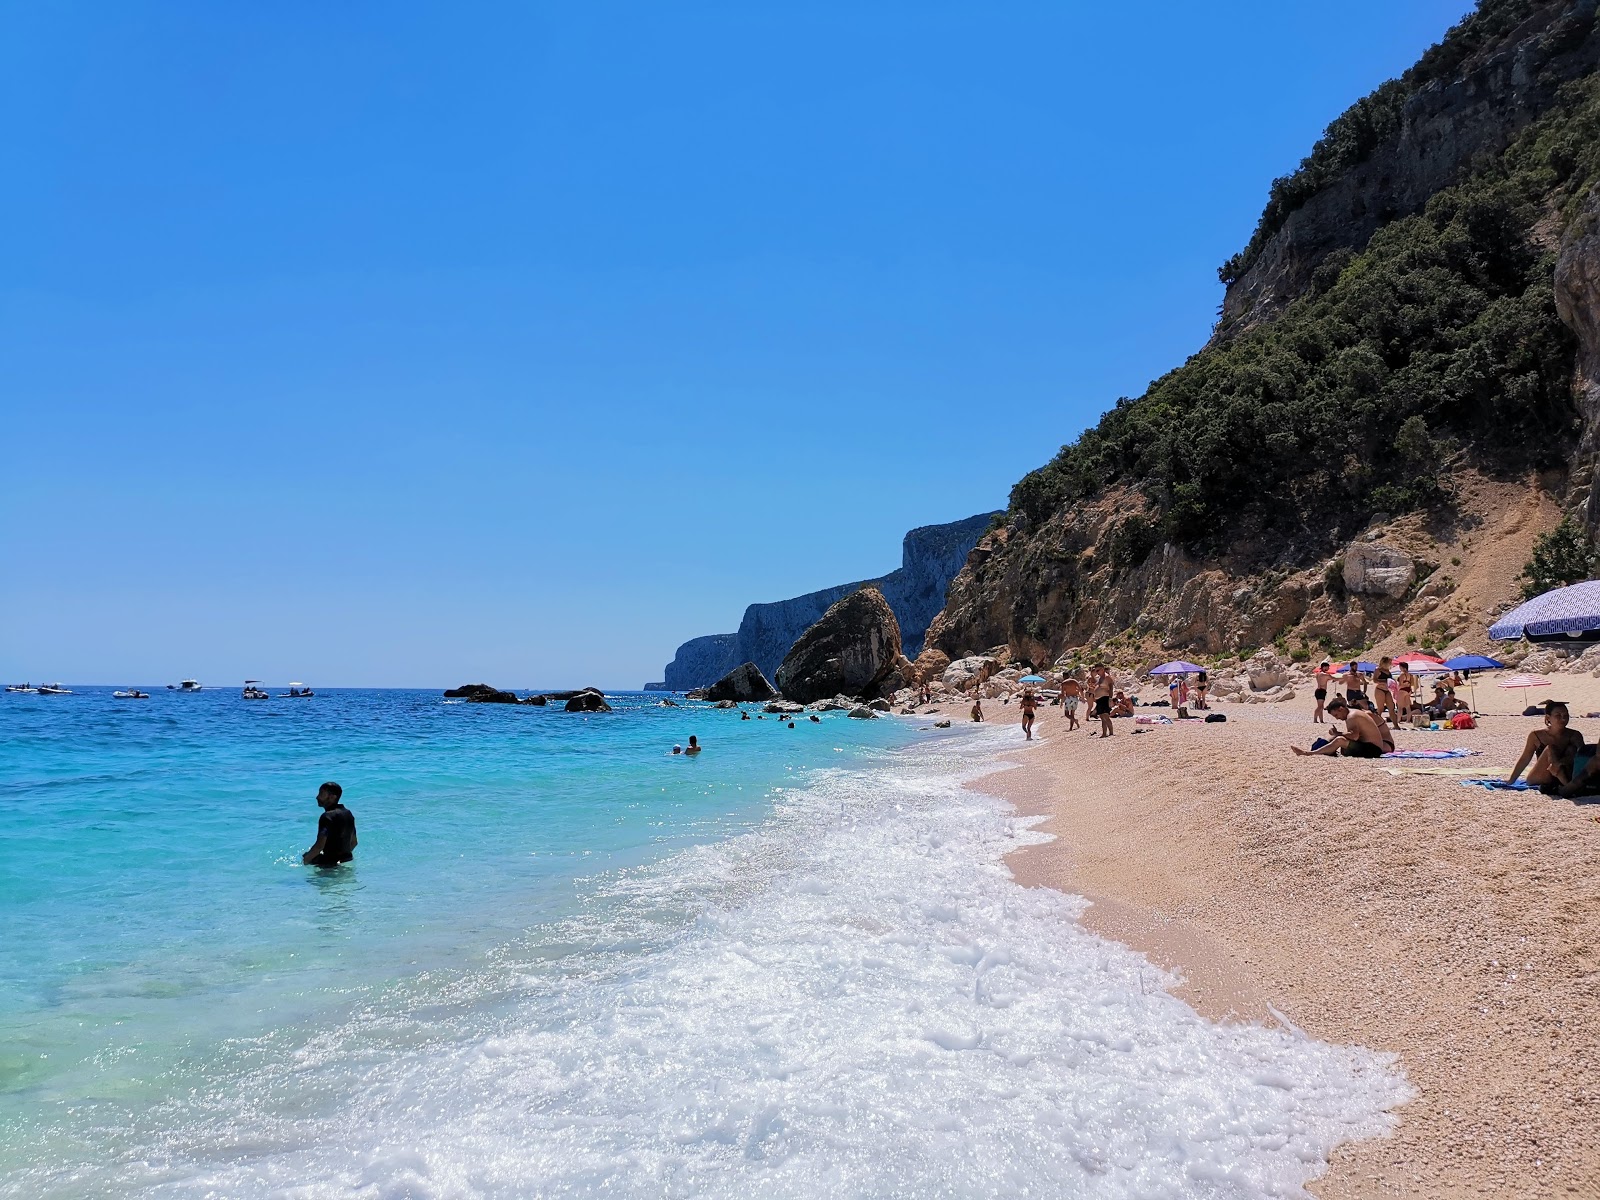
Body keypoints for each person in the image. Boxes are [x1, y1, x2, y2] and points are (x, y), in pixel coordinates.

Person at [1508, 702, 1583, 787]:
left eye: (1566, 715)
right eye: (1558, 715)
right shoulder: (1536, 735)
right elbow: (1525, 758)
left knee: (1573, 749)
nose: (1563, 719)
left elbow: (1582, 758)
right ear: (1548, 717)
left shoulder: (1574, 735)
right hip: (1542, 776)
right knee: (1550, 749)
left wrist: (1560, 763)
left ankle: (1564, 779)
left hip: (1565, 774)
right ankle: (1566, 783)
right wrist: (1512, 780)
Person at [1291, 697, 1392, 757]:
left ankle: (1309, 753)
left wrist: (1337, 733)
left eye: (1336, 715)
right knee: (1339, 741)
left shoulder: (1352, 716)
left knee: (1339, 740)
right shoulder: (1352, 714)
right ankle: (1319, 748)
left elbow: (1354, 736)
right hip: (1370, 747)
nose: (1337, 718)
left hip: (1373, 750)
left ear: (1341, 709)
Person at [301, 782, 356, 867]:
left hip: (330, 864)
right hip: (347, 859)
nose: (317, 797)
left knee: (306, 856)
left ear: (332, 797)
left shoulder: (327, 817)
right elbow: (354, 842)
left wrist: (306, 860)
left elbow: (319, 846)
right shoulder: (348, 813)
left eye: (321, 794)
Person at [1372, 657, 1398, 727]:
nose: (1390, 663)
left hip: (1387, 690)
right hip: (1380, 690)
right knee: (1380, 708)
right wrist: (1386, 681)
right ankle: (1376, 725)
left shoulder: (1388, 670)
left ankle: (1396, 725)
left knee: (1391, 707)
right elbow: (1374, 680)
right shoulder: (1378, 670)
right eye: (1389, 662)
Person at [1093, 664, 1114, 738]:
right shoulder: (1100, 678)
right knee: (1102, 716)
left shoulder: (1107, 677)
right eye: (1096, 671)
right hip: (1099, 699)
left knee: (1106, 716)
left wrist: (1110, 699)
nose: (1097, 672)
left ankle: (1111, 732)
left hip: (1104, 698)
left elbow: (1111, 688)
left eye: (1098, 670)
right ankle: (1104, 733)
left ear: (1102, 669)